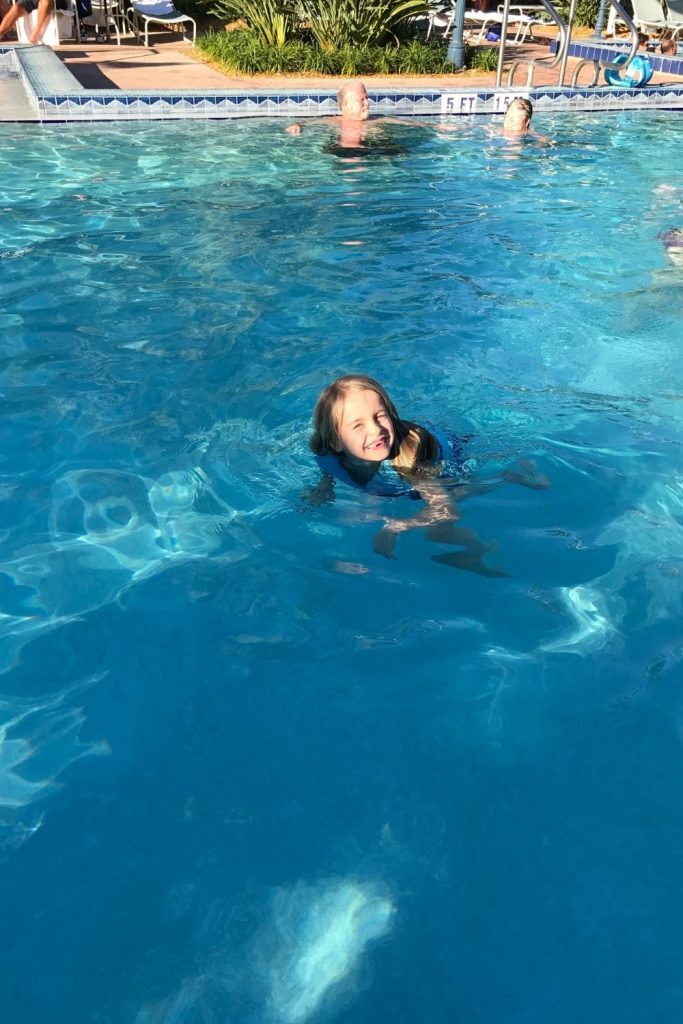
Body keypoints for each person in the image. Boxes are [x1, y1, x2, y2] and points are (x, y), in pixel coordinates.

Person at [307, 374, 514, 572]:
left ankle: (480, 547)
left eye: (380, 416)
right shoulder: (327, 455)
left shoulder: (409, 465)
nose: (375, 429)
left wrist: (398, 526)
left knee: (440, 529)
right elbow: (329, 470)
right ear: (335, 441)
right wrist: (324, 486)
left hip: (448, 459)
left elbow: (447, 511)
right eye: (358, 425)